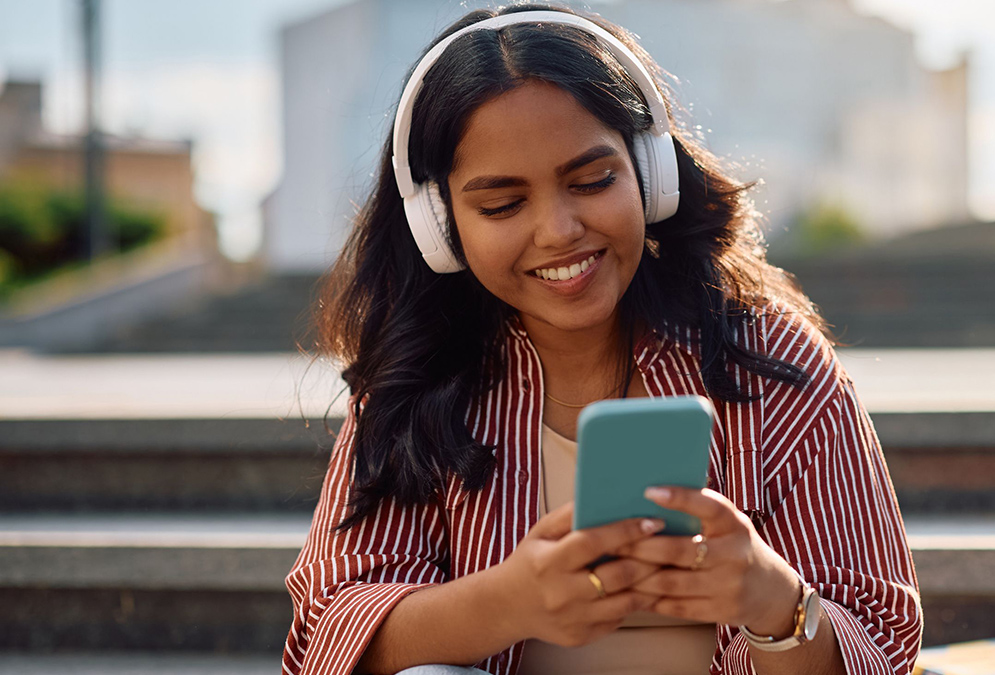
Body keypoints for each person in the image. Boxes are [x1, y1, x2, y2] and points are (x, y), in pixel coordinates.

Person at [282, 4, 922, 675]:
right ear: (440, 227)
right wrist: (509, 601)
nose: (559, 230)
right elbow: (327, 630)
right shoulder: (415, 383)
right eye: (502, 204)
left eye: (592, 181)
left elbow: (882, 647)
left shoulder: (772, 363)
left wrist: (776, 601)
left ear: (651, 172)